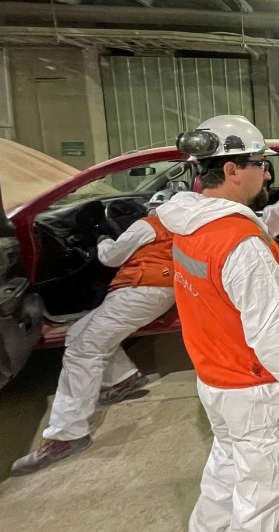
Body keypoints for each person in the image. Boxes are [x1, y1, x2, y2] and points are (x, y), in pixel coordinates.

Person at [156, 115, 279, 532]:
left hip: (215, 378)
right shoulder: (241, 247)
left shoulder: (190, 224)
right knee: (263, 496)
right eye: (260, 163)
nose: (268, 171)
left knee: (226, 469)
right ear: (233, 170)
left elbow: (234, 235)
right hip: (253, 387)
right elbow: (271, 331)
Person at [11, 189, 179, 475]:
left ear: (154, 208)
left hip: (139, 290)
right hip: (159, 290)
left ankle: (67, 434)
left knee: (83, 349)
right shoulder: (182, 227)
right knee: (79, 332)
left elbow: (111, 258)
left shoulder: (147, 225)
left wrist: (102, 240)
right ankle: (124, 380)